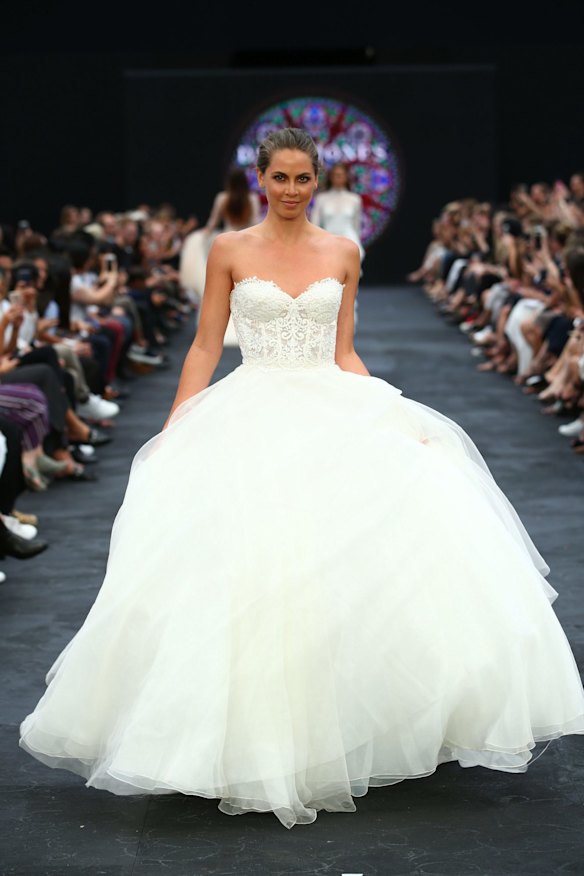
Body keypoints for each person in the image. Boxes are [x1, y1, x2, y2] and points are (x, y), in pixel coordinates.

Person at [20, 128, 584, 830]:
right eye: (280, 177)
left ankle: (350, 723)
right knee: (249, 569)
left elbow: (344, 350)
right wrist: (175, 427)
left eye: (302, 178)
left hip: (330, 404)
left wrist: (390, 414)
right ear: (260, 179)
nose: (291, 189)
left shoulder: (343, 251)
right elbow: (205, 345)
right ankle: (239, 741)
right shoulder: (229, 249)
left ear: (317, 181)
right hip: (249, 408)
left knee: (353, 563)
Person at [179, 167, 260, 346]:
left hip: (226, 244)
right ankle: (245, 326)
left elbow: (212, 223)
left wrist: (199, 237)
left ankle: (219, 326)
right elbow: (255, 224)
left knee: (225, 286)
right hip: (246, 245)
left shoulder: (223, 198)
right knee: (245, 285)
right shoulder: (252, 199)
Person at [310, 161, 364, 324]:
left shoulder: (355, 199)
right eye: (335, 175)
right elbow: (315, 224)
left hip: (350, 243)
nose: (338, 178)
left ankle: (350, 318)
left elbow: (356, 226)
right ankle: (332, 319)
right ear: (331, 177)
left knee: (349, 283)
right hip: (329, 245)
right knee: (330, 284)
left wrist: (358, 248)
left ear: (347, 177)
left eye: (341, 175)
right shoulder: (321, 199)